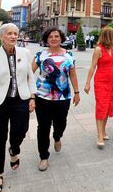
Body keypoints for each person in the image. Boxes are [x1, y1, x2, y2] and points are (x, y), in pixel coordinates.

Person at [0, 23, 37, 192]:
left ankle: (14, 149)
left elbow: (30, 77)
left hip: (21, 100)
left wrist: (32, 97)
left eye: (15, 33)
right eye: (9, 33)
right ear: (1, 37)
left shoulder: (25, 53)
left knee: (21, 130)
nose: (13, 36)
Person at [32, 27, 80, 171]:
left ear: (61, 38)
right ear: (46, 39)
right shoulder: (40, 55)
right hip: (42, 97)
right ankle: (44, 156)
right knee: (43, 127)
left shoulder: (69, 55)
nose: (54, 38)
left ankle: (57, 137)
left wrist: (77, 92)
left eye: (56, 36)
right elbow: (29, 72)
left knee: (61, 123)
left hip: (63, 97)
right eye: (51, 36)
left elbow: (72, 74)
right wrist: (30, 95)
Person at [84, 27, 113, 149]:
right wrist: (87, 83)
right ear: (109, 37)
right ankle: (99, 135)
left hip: (111, 81)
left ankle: (103, 131)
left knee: (107, 107)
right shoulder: (98, 49)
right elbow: (92, 67)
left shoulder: (112, 48)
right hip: (101, 82)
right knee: (101, 107)